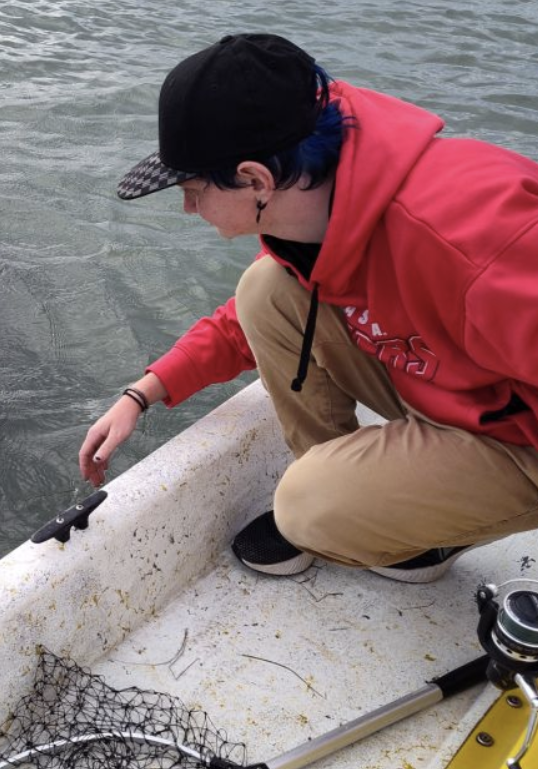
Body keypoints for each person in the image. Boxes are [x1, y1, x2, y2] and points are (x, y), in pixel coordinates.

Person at [78, 33, 538, 584]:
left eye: (194, 188)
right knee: (266, 289)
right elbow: (250, 321)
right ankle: (379, 510)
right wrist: (142, 393)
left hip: (521, 438)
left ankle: (368, 513)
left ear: (255, 179)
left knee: (304, 507)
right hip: (466, 391)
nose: (185, 206)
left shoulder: (479, 239)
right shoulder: (320, 210)